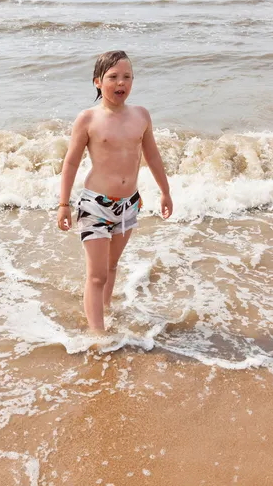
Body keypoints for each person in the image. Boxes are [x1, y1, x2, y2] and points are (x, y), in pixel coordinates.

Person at [57, 50, 173, 334]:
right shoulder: (88, 119)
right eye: (113, 77)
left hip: (128, 205)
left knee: (111, 267)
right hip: (95, 205)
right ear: (98, 82)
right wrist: (63, 204)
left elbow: (153, 157)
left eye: (127, 76)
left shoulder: (141, 116)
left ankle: (104, 311)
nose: (121, 82)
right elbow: (70, 161)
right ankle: (98, 336)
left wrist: (165, 192)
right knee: (96, 275)